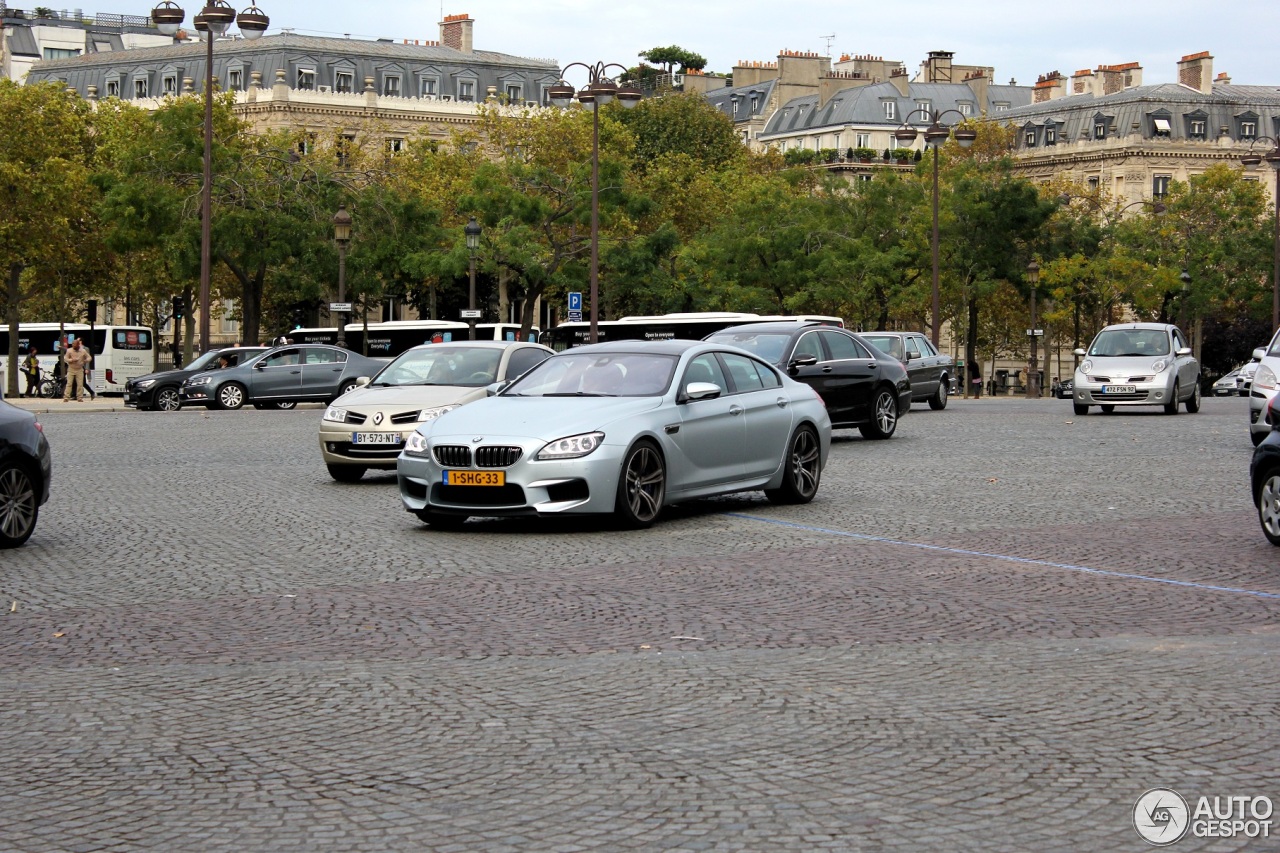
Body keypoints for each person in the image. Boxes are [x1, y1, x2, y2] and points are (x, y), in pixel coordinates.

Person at [62, 337, 91, 402]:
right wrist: (71, 360)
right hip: (71, 369)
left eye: (74, 345)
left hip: (79, 369)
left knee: (80, 384)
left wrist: (86, 360)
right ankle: (66, 397)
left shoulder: (83, 351)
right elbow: (65, 358)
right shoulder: (69, 350)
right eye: (72, 345)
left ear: (78, 345)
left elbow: (89, 357)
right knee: (69, 383)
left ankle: (79, 397)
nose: (73, 346)